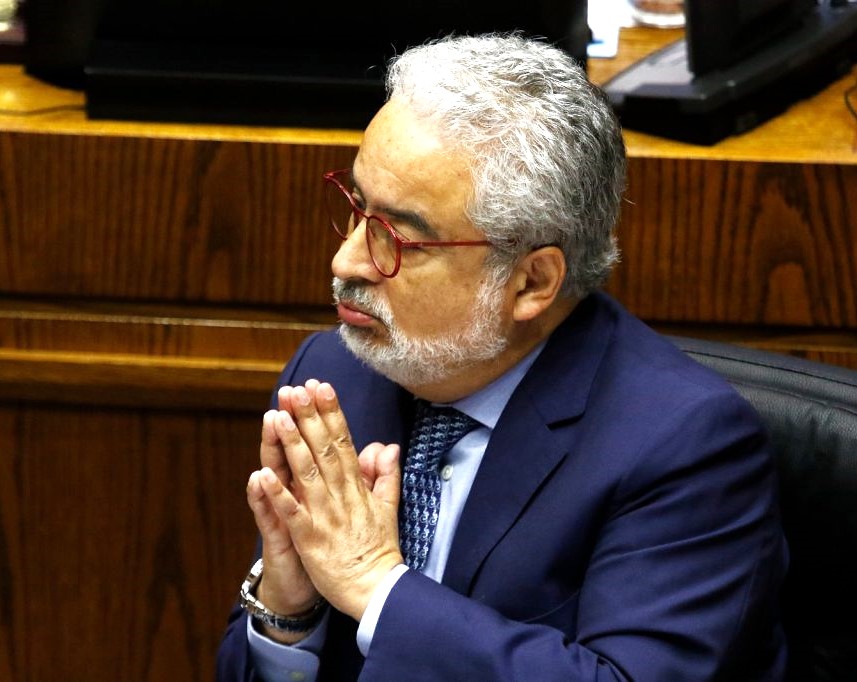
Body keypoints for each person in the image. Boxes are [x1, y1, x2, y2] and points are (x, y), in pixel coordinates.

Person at [216, 33, 787, 681]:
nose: (346, 261)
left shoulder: (685, 446)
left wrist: (377, 588)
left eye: (397, 238)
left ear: (531, 282)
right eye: (356, 208)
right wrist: (287, 614)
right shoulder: (338, 373)